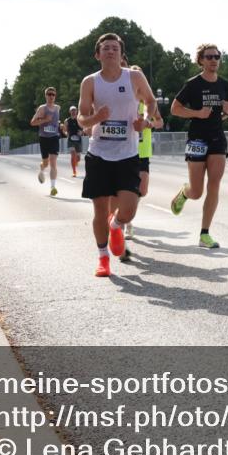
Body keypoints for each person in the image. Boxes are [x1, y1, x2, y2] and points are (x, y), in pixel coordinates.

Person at [77, 33, 157, 277]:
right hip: (99, 154)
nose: (110, 51)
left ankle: (117, 225)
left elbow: (152, 103)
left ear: (122, 54)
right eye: (105, 48)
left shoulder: (133, 76)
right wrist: (95, 118)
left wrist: (144, 121)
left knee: (129, 208)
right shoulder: (90, 82)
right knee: (99, 210)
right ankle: (103, 258)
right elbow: (81, 119)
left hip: (128, 154)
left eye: (114, 48)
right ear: (97, 54)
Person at [169, 44, 228, 249]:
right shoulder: (193, 84)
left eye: (217, 56)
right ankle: (184, 193)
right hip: (197, 139)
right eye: (209, 57)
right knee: (197, 191)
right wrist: (197, 113)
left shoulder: (225, 85)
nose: (214, 60)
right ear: (201, 60)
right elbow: (175, 109)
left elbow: (222, 114)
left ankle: (204, 234)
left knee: (214, 184)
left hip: (217, 139)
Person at [125, 99, 164, 241]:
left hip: (143, 152)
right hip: (127, 151)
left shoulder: (149, 105)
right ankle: (127, 222)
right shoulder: (126, 101)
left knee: (142, 190)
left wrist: (150, 123)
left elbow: (160, 122)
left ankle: (126, 214)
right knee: (127, 189)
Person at [31, 86, 62, 197]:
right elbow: (33, 122)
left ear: (55, 96)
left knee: (53, 162)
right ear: (45, 96)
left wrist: (59, 126)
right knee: (46, 162)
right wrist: (45, 120)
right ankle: (42, 169)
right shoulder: (42, 108)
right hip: (44, 138)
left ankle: (53, 187)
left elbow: (56, 122)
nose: (51, 96)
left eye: (53, 94)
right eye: (49, 94)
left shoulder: (58, 108)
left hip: (54, 137)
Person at [64, 105, 84, 177]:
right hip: (71, 140)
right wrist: (66, 134)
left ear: (77, 111)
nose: (73, 112)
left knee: (78, 158)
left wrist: (81, 132)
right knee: (73, 155)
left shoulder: (80, 120)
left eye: (74, 110)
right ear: (70, 112)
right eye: (72, 110)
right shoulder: (67, 121)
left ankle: (76, 162)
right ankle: (74, 172)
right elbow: (64, 130)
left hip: (78, 140)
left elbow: (83, 129)